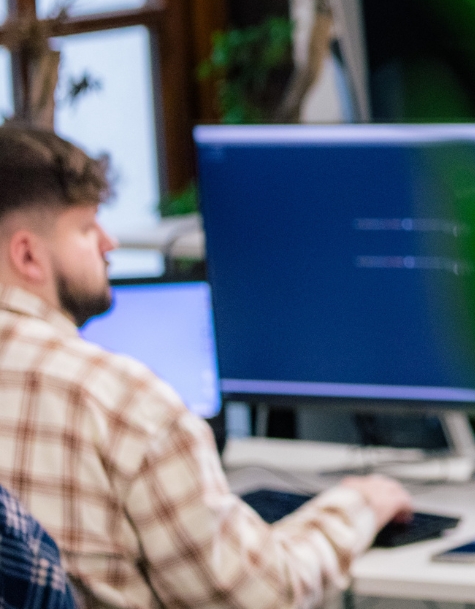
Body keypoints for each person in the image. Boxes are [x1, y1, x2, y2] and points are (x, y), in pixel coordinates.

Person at [0, 125, 414, 609]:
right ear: (27, 254)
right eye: (87, 228)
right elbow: (258, 598)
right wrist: (360, 505)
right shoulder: (124, 404)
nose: (109, 243)